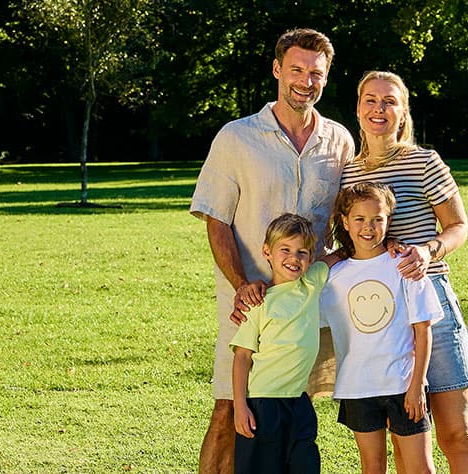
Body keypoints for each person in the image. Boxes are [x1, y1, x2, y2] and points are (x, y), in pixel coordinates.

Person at [189, 28, 354, 474]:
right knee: (228, 410)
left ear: (326, 77)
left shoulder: (339, 141)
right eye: (296, 69)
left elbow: (349, 220)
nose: (305, 80)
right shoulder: (236, 137)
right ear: (277, 69)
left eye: (315, 73)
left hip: (308, 307)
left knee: (296, 410)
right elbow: (216, 218)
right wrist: (243, 285)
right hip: (249, 305)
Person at [345, 71, 468, 473]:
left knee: (456, 434)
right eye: (370, 100)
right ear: (358, 108)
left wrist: (428, 251)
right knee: (406, 444)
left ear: (403, 112)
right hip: (380, 321)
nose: (379, 108)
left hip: (431, 306)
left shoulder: (425, 162)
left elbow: (459, 226)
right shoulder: (348, 172)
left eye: (389, 101)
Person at [323, 182, 442, 474]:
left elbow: (423, 329)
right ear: (345, 222)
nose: (369, 227)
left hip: (403, 385)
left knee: (421, 468)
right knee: (372, 467)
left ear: (388, 221)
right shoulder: (331, 277)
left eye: (378, 219)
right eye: (360, 219)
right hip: (357, 386)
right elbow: (298, 285)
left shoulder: (405, 265)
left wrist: (417, 385)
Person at [230, 213, 338, 474]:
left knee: (305, 464)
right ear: (267, 252)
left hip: (299, 402)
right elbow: (242, 356)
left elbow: (343, 253)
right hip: (263, 405)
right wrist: (239, 406)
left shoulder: (312, 281)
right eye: (285, 250)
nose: (294, 258)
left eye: (302, 252)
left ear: (311, 258)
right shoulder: (257, 301)